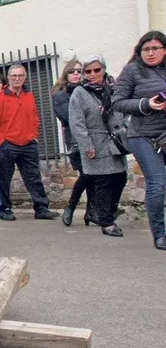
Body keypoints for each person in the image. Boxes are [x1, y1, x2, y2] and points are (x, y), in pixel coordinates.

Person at [112, 30, 166, 250]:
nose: (151, 53)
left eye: (155, 48)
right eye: (146, 49)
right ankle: (160, 234)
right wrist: (146, 104)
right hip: (142, 135)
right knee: (158, 184)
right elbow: (117, 102)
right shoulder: (132, 71)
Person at [0, 64, 59, 221]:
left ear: (25, 77)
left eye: (20, 75)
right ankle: (4, 208)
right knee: (4, 179)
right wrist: (2, 142)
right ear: (8, 78)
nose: (17, 78)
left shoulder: (29, 95)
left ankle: (41, 208)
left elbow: (34, 117)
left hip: (28, 143)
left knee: (34, 177)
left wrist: (34, 135)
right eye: (14, 75)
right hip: (8, 144)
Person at [68, 55, 127, 237]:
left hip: (115, 142)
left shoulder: (113, 88)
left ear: (103, 70)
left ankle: (104, 213)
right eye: (88, 71)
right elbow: (76, 122)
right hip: (95, 142)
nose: (93, 74)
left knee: (120, 178)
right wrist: (86, 145)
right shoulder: (80, 93)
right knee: (102, 183)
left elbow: (123, 109)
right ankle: (106, 221)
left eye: (97, 70)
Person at [51, 61, 88, 226]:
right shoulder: (61, 94)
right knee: (86, 174)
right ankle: (71, 207)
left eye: (80, 71)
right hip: (75, 140)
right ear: (66, 74)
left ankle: (92, 211)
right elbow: (69, 117)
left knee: (96, 176)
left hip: (94, 137)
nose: (76, 74)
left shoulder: (87, 90)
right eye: (72, 71)